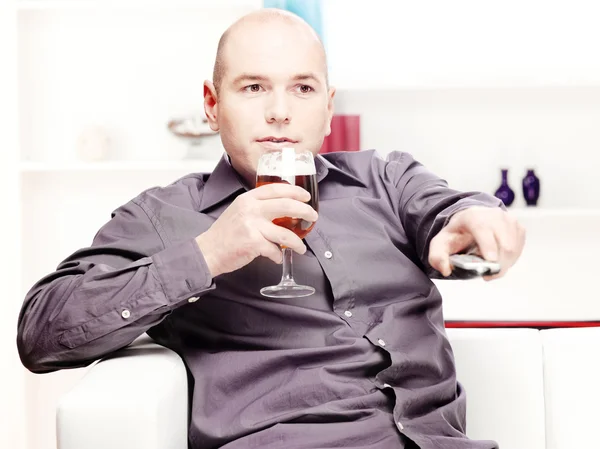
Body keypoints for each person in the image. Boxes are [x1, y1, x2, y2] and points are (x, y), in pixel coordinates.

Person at [17, 8, 525, 449]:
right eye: (254, 87)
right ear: (213, 105)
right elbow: (41, 333)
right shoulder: (165, 216)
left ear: (327, 108)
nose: (280, 112)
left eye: (302, 88)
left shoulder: (385, 180)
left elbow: (450, 210)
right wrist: (208, 255)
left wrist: (477, 219)